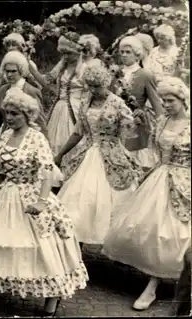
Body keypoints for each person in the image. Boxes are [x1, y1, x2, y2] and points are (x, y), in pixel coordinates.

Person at [0, 87, 88, 318]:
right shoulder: (4, 136)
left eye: (15, 114)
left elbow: (46, 170)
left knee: (43, 248)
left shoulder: (36, 138)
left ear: (27, 115)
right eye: (7, 113)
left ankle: (51, 302)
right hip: (6, 196)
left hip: (31, 195)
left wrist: (42, 202)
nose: (10, 118)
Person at [102, 76, 190, 311]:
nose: (167, 104)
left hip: (186, 181)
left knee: (176, 231)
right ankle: (153, 280)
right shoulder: (161, 122)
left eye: (171, 100)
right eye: (163, 100)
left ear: (182, 99)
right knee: (148, 227)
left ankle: (164, 283)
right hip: (161, 175)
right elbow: (153, 151)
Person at [54, 64, 142, 247]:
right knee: (79, 197)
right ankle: (75, 242)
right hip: (86, 153)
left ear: (106, 84)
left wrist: (123, 148)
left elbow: (129, 130)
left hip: (111, 154)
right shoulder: (86, 103)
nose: (93, 90)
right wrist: (61, 154)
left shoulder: (117, 103)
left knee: (106, 199)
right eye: (90, 86)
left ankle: (114, 243)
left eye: (97, 86)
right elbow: (78, 132)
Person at [28, 34, 103, 158]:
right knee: (55, 141)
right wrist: (30, 68)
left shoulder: (85, 69)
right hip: (59, 108)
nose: (66, 57)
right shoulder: (63, 66)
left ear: (78, 53)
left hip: (77, 108)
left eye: (69, 53)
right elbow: (46, 81)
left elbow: (91, 94)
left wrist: (86, 112)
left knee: (74, 140)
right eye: (63, 53)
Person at [117, 35, 164, 171]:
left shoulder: (145, 75)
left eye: (128, 52)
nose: (124, 55)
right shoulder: (115, 73)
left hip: (135, 123)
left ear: (137, 55)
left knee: (134, 163)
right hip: (114, 121)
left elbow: (157, 103)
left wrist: (161, 127)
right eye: (122, 52)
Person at [0, 50, 45, 142]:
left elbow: (41, 123)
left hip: (27, 140)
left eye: (13, 71)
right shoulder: (2, 90)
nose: (9, 75)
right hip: (6, 138)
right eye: (7, 71)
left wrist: (46, 146)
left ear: (21, 71)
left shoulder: (31, 91)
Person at [0, 32, 41, 118]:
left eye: (14, 45)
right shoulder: (6, 64)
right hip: (8, 99)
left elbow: (38, 87)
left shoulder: (29, 64)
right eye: (8, 46)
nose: (11, 48)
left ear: (21, 48)